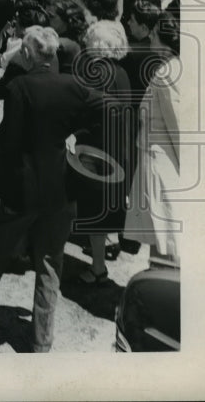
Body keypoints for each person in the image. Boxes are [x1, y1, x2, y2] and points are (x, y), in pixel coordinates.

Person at [0, 26, 105, 352]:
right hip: (60, 188)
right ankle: (42, 340)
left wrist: (2, 186)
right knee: (51, 263)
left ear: (28, 53)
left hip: (23, 187)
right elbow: (104, 109)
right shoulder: (75, 86)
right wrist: (78, 138)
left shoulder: (21, 87)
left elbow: (9, 143)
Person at [73, 21, 134, 283]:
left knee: (92, 206)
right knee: (105, 205)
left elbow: (88, 110)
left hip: (98, 148)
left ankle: (98, 268)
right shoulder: (121, 72)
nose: (85, 43)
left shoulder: (97, 72)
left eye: (89, 40)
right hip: (118, 147)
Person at [124, 0, 182, 261]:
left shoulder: (168, 74)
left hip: (162, 165)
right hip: (153, 161)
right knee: (157, 237)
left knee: (163, 238)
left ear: (159, 37)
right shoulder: (167, 68)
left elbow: (177, 127)